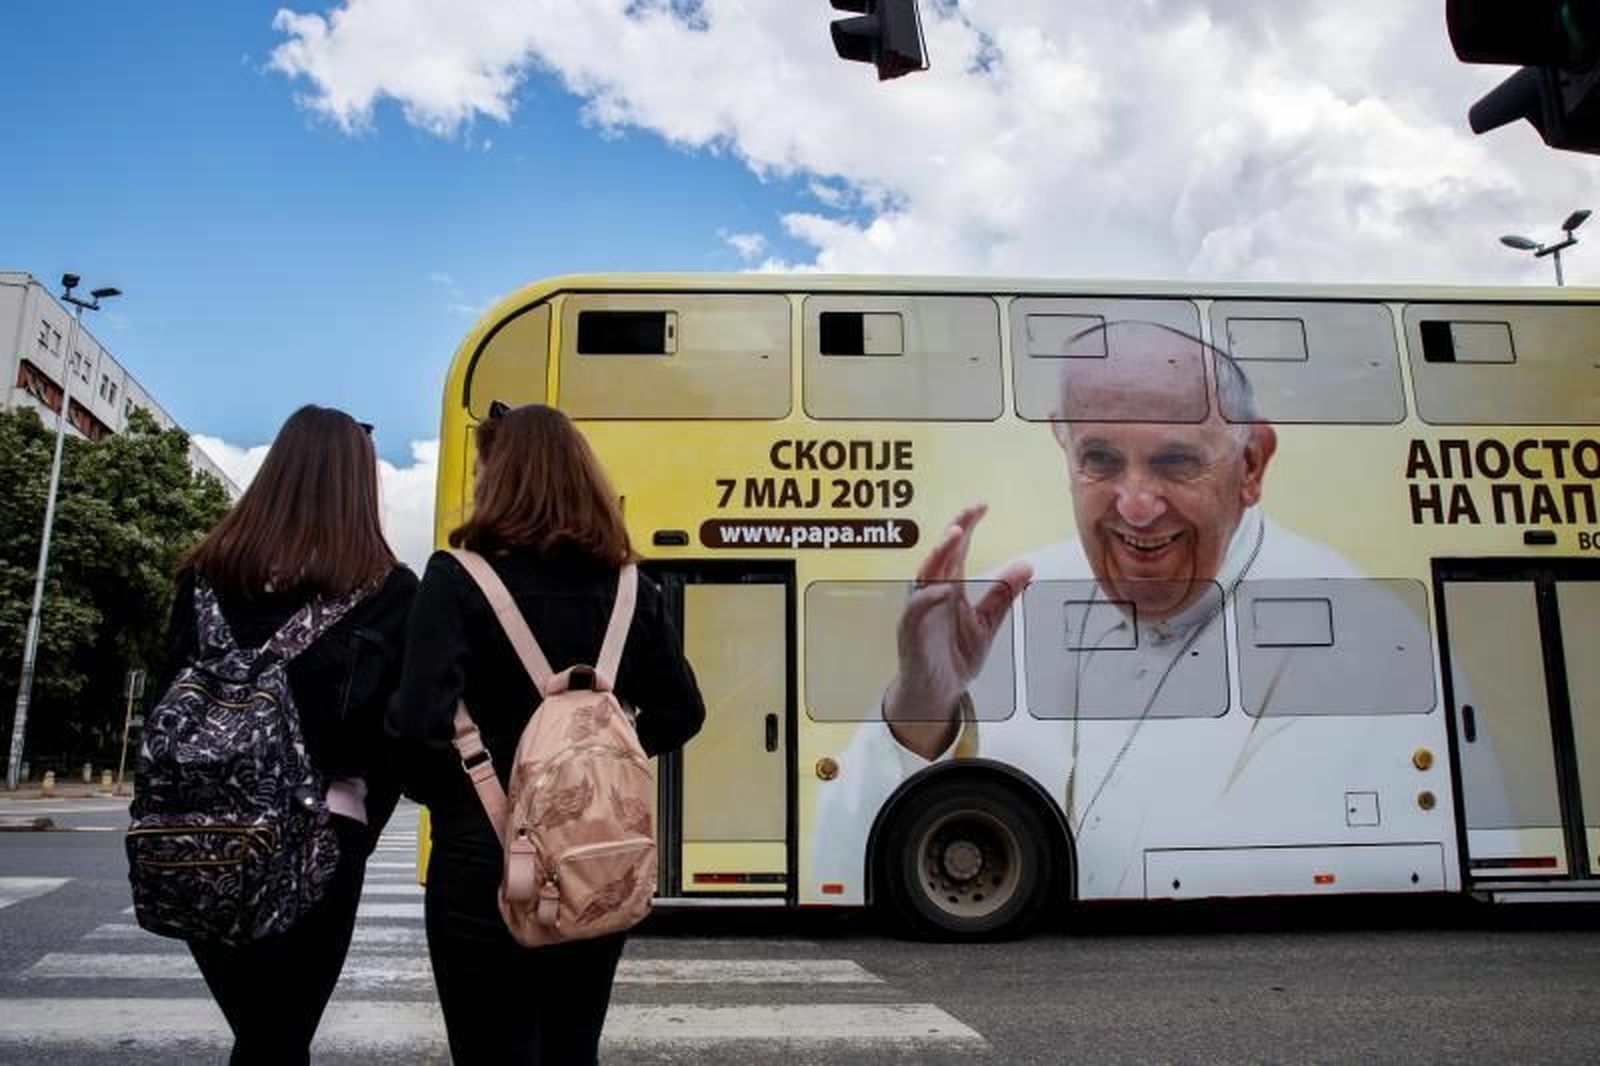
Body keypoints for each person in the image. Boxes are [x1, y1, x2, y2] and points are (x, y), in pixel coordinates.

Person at [811, 320, 1392, 892]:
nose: (1136, 507)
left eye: (1175, 462)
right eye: (1101, 460)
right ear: (1062, 444)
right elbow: (836, 862)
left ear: (1251, 463)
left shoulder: (1363, 634)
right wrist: (922, 703)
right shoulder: (997, 599)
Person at [389, 402, 705, 1065]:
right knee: (572, 1047)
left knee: (488, 1051)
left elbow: (416, 722)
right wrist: (594, 763)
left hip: (481, 855)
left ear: (497, 477)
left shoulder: (455, 578)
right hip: (595, 854)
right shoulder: (631, 587)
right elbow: (682, 711)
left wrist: (461, 798)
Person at [155, 404, 417, 1065]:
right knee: (281, 1034)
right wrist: (358, 827)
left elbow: (163, 702)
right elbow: (396, 737)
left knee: (259, 1030)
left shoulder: (201, 580)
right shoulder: (388, 590)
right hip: (321, 837)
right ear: (358, 485)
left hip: (198, 835)